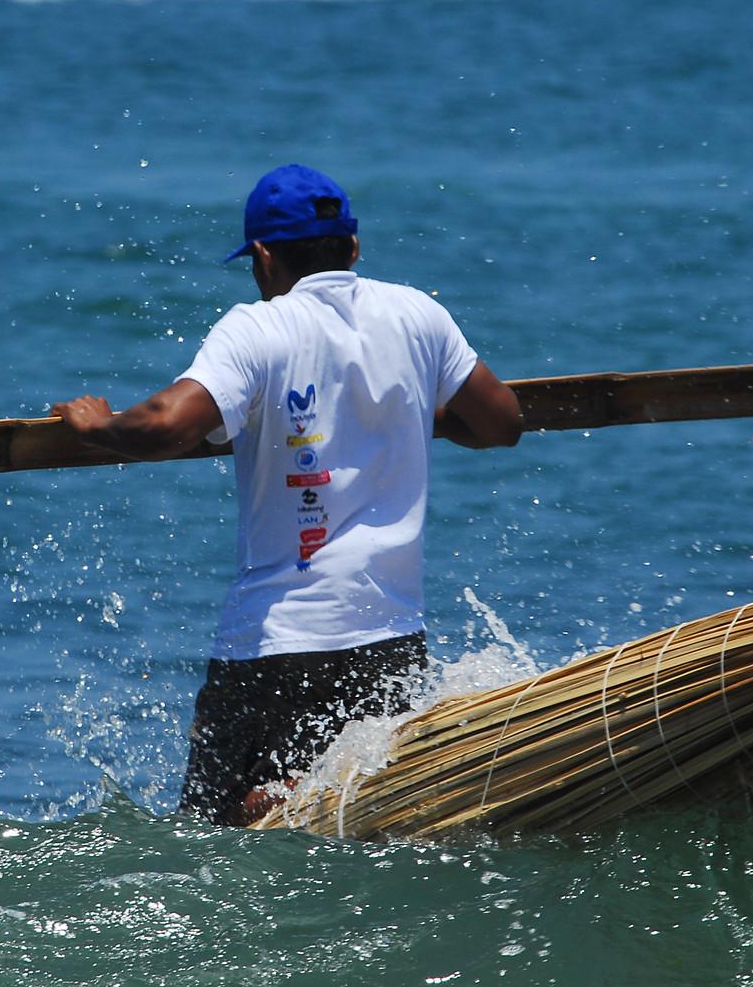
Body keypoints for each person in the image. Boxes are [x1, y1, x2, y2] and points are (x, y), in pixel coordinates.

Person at [52, 164, 523, 824]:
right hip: (390, 643)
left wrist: (98, 426)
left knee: (210, 843)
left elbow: (164, 425)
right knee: (356, 831)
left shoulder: (260, 327)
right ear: (353, 248)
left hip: (275, 648)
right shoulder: (419, 315)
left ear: (265, 257)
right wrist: (405, 421)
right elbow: (502, 424)